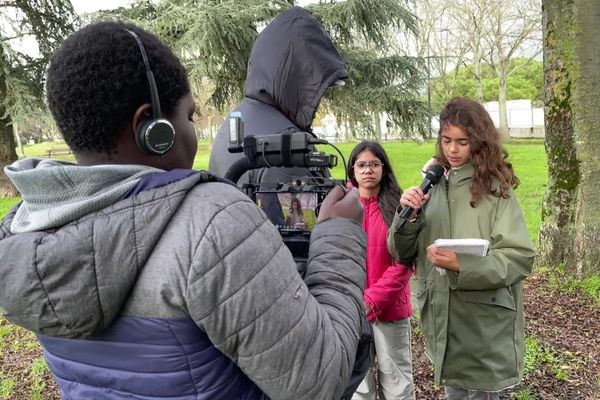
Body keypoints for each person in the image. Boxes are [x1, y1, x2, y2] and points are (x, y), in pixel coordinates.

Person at [0, 20, 369, 400]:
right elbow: (318, 381)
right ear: (152, 127)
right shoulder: (212, 223)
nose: (197, 133)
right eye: (190, 116)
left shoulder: (28, 231)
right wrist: (339, 235)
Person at [388, 97, 535, 400]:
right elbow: (400, 251)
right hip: (444, 324)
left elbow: (518, 257)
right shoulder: (434, 186)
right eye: (446, 140)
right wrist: (409, 216)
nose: (452, 150)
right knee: (454, 390)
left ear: (478, 143)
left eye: (462, 142)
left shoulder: (495, 189)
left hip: (483, 330)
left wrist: (463, 265)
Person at [348, 141, 415, 400]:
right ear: (352, 169)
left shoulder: (400, 207)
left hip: (390, 311)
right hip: (352, 313)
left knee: (397, 386)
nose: (368, 170)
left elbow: (404, 262)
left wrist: (373, 298)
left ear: (383, 168)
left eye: (374, 164)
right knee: (359, 388)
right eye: (362, 165)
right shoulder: (340, 206)